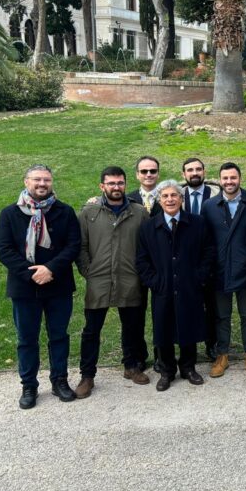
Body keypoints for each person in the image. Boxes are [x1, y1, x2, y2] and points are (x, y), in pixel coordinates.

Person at [0, 165, 81, 409]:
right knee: (27, 339)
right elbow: (4, 251)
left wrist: (50, 269)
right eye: (37, 180)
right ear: (26, 181)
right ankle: (29, 386)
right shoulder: (10, 214)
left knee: (59, 336)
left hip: (58, 285)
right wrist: (31, 274)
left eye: (47, 180)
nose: (42, 184)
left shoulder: (64, 212)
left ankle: (60, 381)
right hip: (24, 288)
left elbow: (73, 245)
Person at [74, 166, 151, 398]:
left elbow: (147, 246)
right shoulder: (89, 213)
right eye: (111, 183)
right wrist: (89, 271)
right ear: (102, 186)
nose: (116, 187)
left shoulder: (139, 213)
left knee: (133, 327)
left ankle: (131, 366)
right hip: (99, 279)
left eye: (120, 183)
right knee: (91, 330)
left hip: (130, 278)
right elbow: (81, 247)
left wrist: (140, 272)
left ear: (125, 184)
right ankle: (87, 376)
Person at [135, 180, 214, 392]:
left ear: (181, 198)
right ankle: (167, 370)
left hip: (190, 285)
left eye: (174, 195)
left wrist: (199, 277)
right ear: (159, 200)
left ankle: (188, 367)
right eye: (165, 196)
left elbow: (208, 253)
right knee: (163, 328)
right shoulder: (149, 227)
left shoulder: (197, 223)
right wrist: (154, 281)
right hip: (163, 286)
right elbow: (142, 260)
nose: (170, 199)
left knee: (189, 325)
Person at [201, 162, 246, 378]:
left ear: (240, 178)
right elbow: (206, 239)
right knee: (221, 316)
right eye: (225, 178)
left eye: (233, 178)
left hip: (245, 269)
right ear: (219, 180)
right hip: (219, 271)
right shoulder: (209, 206)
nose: (229, 182)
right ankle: (222, 355)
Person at [181, 157, 220, 360]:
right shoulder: (178, 195)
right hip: (185, 260)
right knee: (187, 305)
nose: (194, 173)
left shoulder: (215, 193)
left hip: (210, 258)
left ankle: (212, 344)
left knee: (211, 306)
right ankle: (189, 349)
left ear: (204, 171)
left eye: (198, 169)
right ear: (184, 174)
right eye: (190, 170)